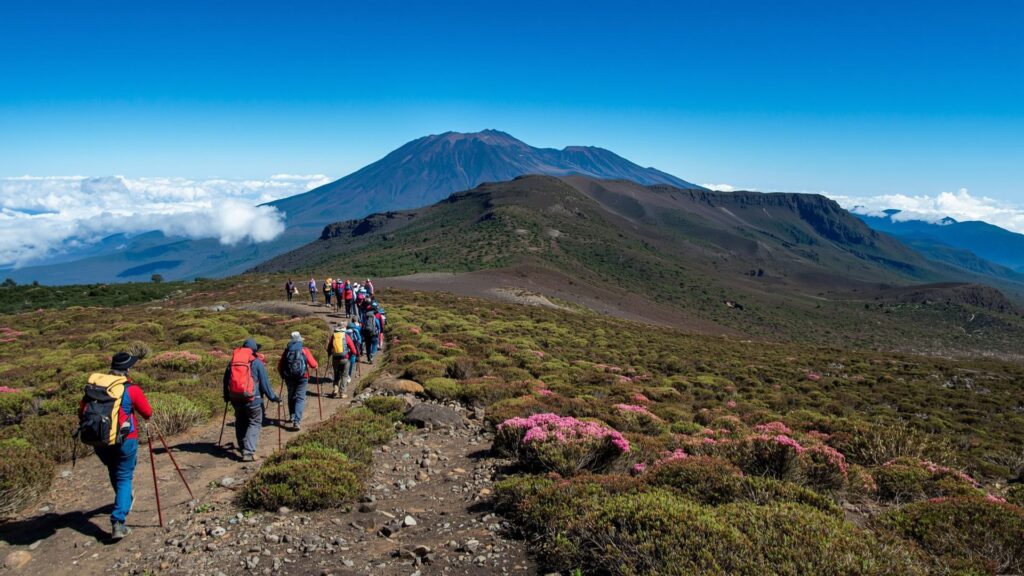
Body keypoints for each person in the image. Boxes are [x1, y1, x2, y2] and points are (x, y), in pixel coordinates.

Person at [80, 352, 153, 541]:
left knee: (114, 471)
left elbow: (82, 411)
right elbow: (147, 412)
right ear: (127, 369)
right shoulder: (130, 389)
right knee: (124, 476)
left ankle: (123, 500)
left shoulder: (95, 387)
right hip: (125, 440)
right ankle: (118, 521)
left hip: (100, 440)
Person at [223, 339, 280, 462]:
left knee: (240, 422)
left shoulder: (233, 361)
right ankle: (248, 452)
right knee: (255, 422)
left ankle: (243, 447)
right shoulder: (256, 362)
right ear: (253, 350)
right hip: (253, 399)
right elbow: (265, 383)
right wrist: (273, 397)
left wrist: (226, 396)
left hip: (236, 399)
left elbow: (226, 380)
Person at [278, 331, 318, 430]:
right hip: (302, 377)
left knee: (291, 396)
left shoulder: (287, 351)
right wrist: (316, 366)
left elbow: (280, 366)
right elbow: (313, 364)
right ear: (300, 339)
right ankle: (297, 421)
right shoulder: (304, 350)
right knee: (300, 398)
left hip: (289, 378)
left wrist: (283, 375)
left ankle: (292, 416)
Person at [326, 324, 359, 397]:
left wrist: (330, 354)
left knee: (336, 375)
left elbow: (329, 347)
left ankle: (335, 389)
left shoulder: (333, 336)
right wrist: (352, 354)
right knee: (344, 375)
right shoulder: (346, 336)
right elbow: (353, 349)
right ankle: (342, 393)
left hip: (335, 359)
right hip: (345, 359)